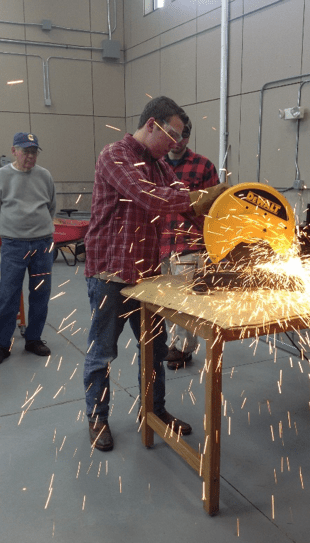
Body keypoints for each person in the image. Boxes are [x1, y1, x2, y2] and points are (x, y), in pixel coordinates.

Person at [83, 96, 228, 451]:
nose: (176, 144)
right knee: (103, 352)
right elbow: (147, 196)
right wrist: (200, 197)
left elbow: (186, 206)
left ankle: (155, 410)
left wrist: (227, 234)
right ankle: (97, 417)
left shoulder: (160, 164)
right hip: (110, 274)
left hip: (147, 277)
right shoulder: (114, 155)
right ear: (152, 125)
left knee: (154, 348)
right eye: (172, 135)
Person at [0, 132, 56, 366]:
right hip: (13, 245)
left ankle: (33, 339)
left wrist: (40, 231)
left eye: (34, 151)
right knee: (8, 295)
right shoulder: (1, 176)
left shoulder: (44, 176)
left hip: (42, 244)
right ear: (14, 151)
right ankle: (1, 345)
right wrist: (10, 233)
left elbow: (51, 207)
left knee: (40, 294)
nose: (30, 156)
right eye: (25, 151)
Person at [161, 116, 221, 370]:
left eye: (183, 136)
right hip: (159, 243)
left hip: (190, 244)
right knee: (164, 300)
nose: (177, 141)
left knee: (185, 300)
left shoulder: (203, 166)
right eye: (173, 135)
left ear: (189, 136)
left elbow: (216, 207)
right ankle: (172, 344)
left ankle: (180, 349)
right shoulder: (154, 166)